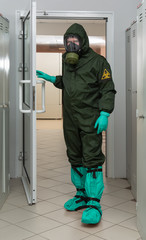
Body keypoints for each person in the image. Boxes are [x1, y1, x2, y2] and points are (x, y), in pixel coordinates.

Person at [36, 23, 116, 225]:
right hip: (70, 119)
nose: (71, 43)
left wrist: (104, 113)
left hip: (90, 119)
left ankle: (94, 203)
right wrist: (53, 78)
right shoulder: (67, 61)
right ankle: (81, 195)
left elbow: (107, 89)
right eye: (68, 40)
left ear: (83, 41)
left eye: (75, 40)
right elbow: (70, 83)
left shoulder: (99, 62)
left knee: (92, 158)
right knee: (74, 155)